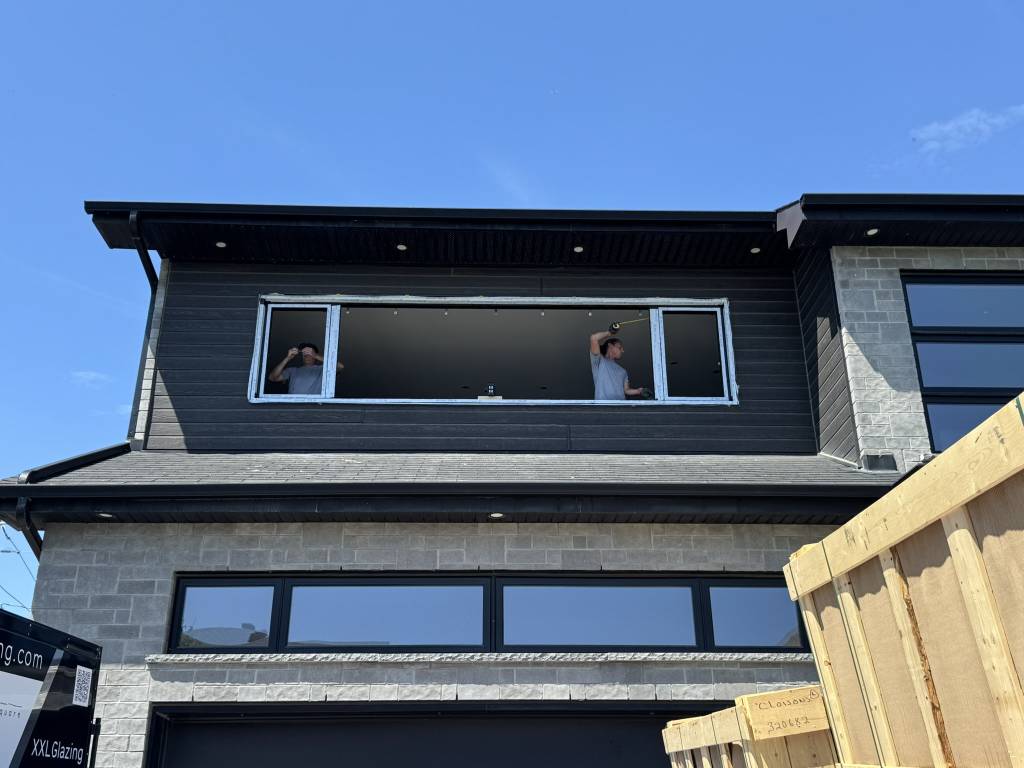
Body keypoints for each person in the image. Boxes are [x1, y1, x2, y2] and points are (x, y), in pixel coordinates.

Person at [589, 329, 647, 400]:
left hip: (621, 408)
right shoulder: (599, 360)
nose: (623, 351)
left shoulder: (623, 371)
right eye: (620, 347)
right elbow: (594, 338)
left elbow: (626, 390)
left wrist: (639, 391)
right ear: (610, 346)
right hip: (603, 407)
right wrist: (610, 332)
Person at [268, 342, 344, 395]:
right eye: (304, 352)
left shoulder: (322, 369)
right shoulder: (293, 370)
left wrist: (316, 356)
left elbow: (340, 366)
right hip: (292, 407)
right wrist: (287, 358)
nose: (307, 354)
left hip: (312, 407)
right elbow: (272, 377)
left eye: (310, 352)